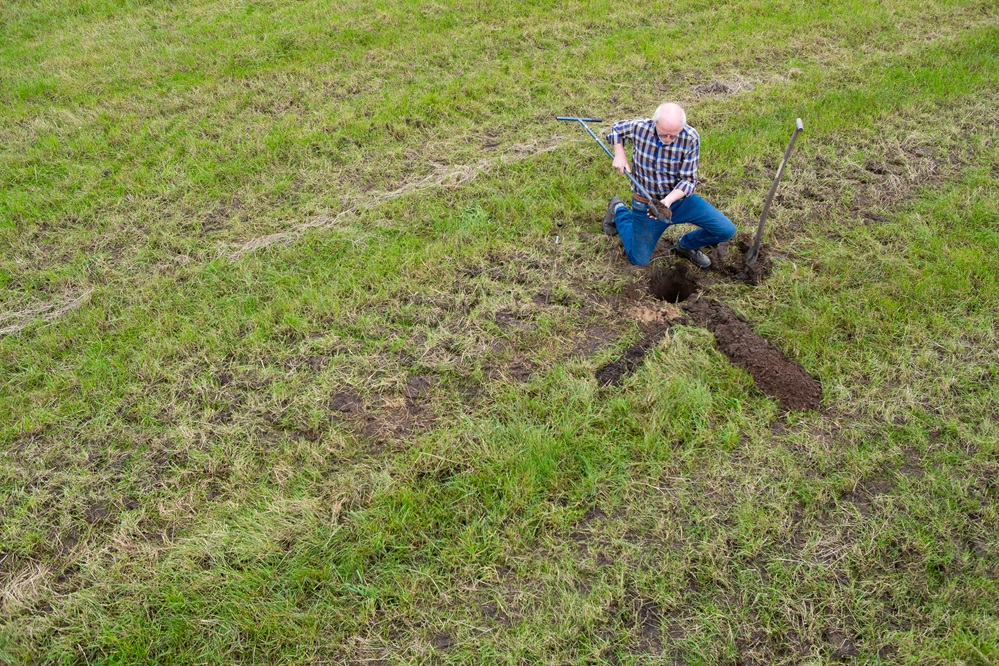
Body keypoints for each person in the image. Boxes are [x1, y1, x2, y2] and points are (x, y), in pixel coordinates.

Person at [602, 103, 735, 268]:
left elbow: (688, 180)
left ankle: (686, 245)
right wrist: (619, 153)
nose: (667, 140)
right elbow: (616, 129)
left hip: (679, 201)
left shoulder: (690, 137)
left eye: (673, 136)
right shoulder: (639, 127)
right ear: (655, 123)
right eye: (663, 134)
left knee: (726, 230)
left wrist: (668, 200)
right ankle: (619, 210)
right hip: (646, 204)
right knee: (639, 260)